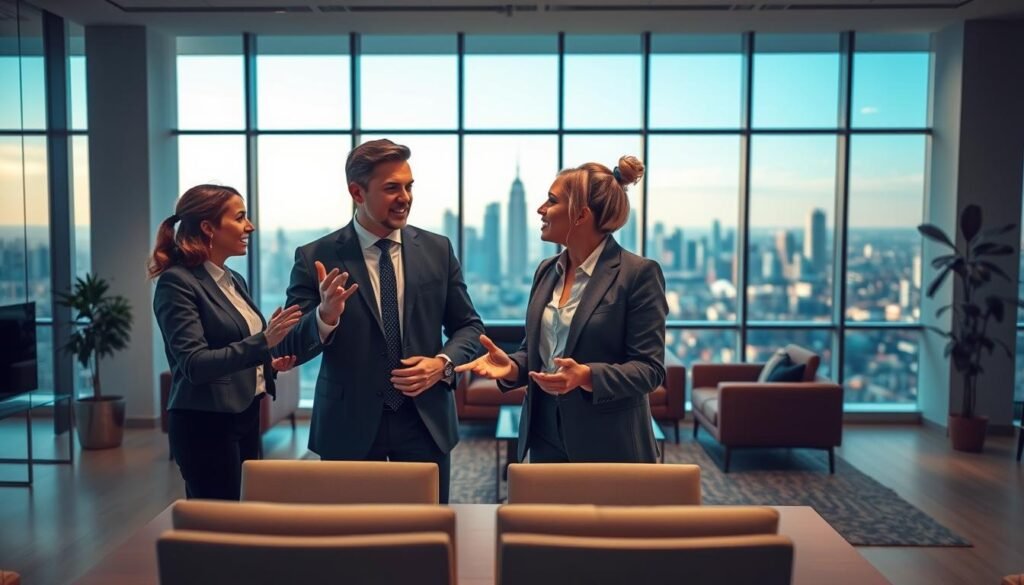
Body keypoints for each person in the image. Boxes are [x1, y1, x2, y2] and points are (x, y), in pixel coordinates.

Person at [275, 139, 483, 503]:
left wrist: (441, 364)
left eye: (409, 186)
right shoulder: (315, 257)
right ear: (357, 192)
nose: (405, 197)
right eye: (391, 188)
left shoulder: (438, 250)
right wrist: (325, 317)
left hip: (425, 421)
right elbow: (290, 343)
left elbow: (469, 326)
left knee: (426, 539)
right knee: (351, 543)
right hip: (347, 424)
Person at [457, 156, 668, 464]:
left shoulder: (638, 274)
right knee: (547, 514)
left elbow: (650, 370)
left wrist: (587, 376)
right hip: (544, 433)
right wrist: (513, 367)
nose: (541, 209)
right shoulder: (546, 271)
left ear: (580, 215)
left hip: (608, 442)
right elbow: (538, 353)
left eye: (551, 201)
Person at [151, 184, 301, 500]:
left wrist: (266, 366)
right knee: (218, 520)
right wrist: (264, 341)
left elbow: (233, 348)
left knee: (242, 512)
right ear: (208, 227)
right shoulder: (177, 283)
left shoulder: (233, 279)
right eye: (240, 217)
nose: (251, 226)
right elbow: (195, 364)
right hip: (205, 424)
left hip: (244, 414)